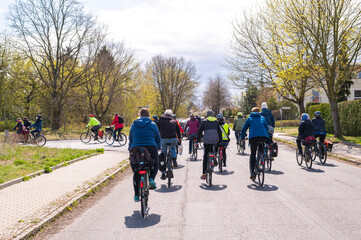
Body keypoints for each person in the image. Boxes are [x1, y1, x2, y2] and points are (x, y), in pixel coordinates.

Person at [128, 108, 161, 201]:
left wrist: (130, 149)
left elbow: (131, 138)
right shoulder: (152, 124)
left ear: (139, 115)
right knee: (155, 163)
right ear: (148, 115)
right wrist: (158, 146)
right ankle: (151, 179)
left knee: (137, 170)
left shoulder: (133, 124)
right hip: (151, 146)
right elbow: (157, 137)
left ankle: (136, 195)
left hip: (136, 148)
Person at [241, 107, 269, 180]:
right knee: (261, 149)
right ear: (259, 112)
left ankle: (252, 172)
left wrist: (242, 137)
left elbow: (244, 129)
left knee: (253, 154)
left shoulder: (249, 118)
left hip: (253, 138)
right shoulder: (262, 118)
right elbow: (267, 128)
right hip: (263, 137)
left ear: (252, 112)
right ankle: (262, 158)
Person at [197, 110, 222, 180]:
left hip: (207, 140)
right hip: (215, 140)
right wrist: (220, 141)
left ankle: (204, 174)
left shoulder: (204, 122)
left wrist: (199, 139)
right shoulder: (216, 122)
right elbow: (219, 132)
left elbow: (199, 131)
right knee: (212, 149)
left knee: (205, 156)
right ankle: (214, 158)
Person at [157, 109, 181, 177]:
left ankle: (163, 173)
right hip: (173, 139)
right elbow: (178, 130)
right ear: (171, 115)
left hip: (163, 139)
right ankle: (174, 159)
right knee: (173, 149)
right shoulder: (174, 121)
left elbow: (157, 129)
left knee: (163, 155)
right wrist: (179, 138)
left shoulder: (160, 120)